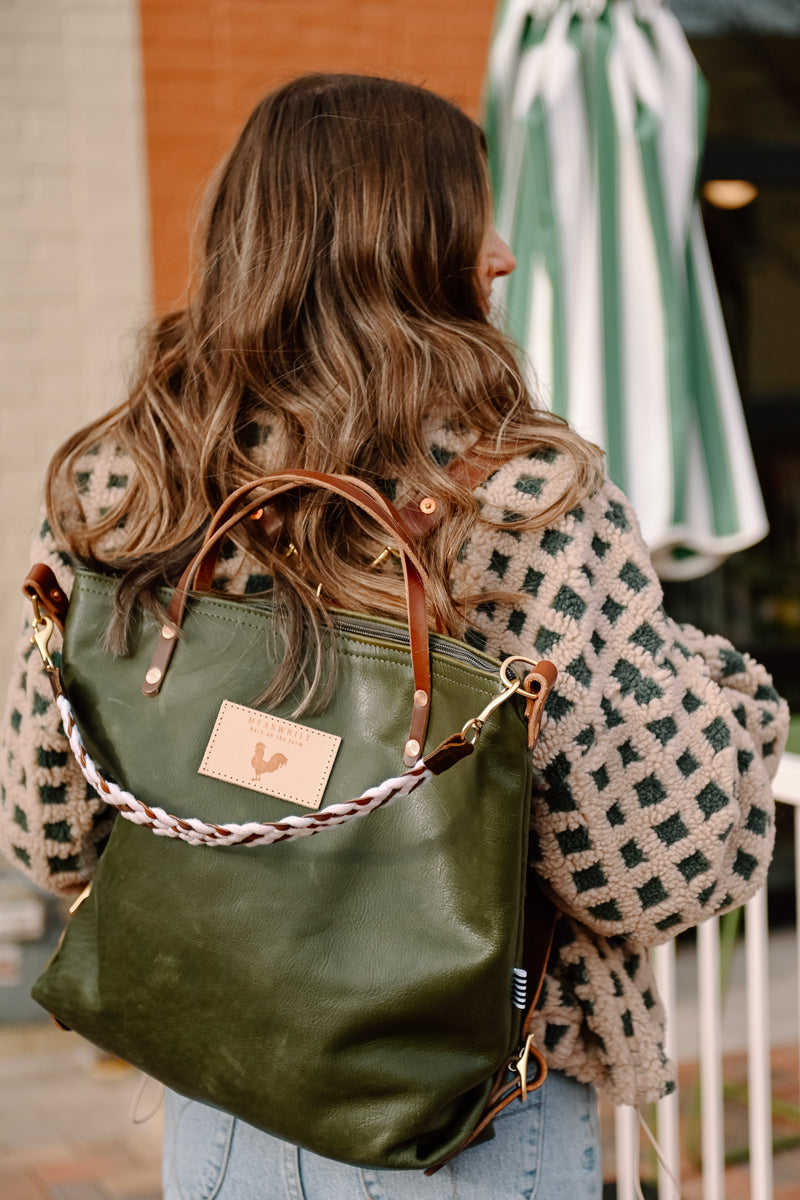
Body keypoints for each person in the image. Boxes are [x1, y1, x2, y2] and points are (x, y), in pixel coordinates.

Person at [0, 73, 788, 1200]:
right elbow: (654, 868)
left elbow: (47, 832)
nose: (501, 255)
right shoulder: (516, 501)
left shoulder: (127, 481)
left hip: (213, 1105)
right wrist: (733, 704)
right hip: (460, 1130)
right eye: (472, 220)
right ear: (400, 247)